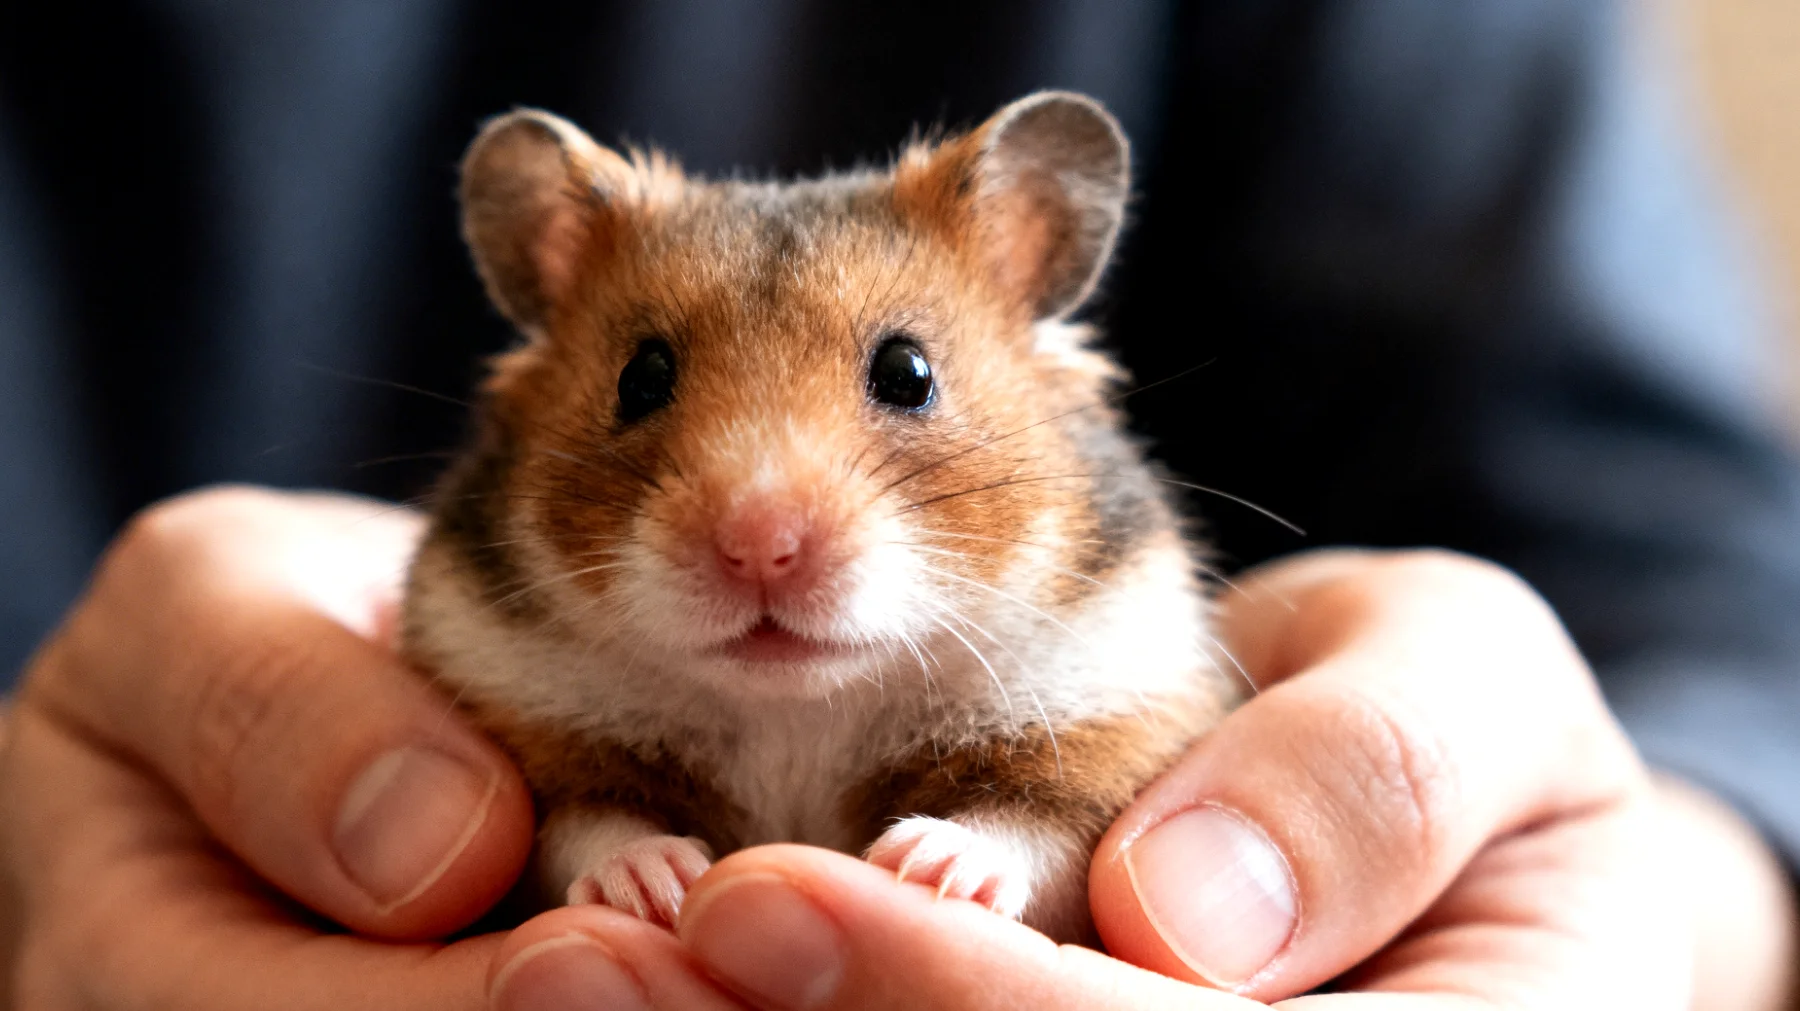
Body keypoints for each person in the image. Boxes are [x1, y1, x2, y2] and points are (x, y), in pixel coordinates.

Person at [3, 1, 1798, 1008]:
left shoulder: (1105, 596)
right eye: (650, 385)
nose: (763, 516)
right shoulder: (500, 604)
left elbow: (1709, 584)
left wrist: (1683, 907)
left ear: (1036, 267)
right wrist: (574, 842)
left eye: (901, 381)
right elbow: (503, 774)